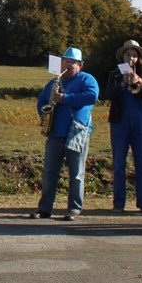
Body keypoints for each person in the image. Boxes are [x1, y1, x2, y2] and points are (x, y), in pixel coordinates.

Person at [31, 47, 100, 221]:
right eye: (65, 61)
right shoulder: (55, 81)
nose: (67, 64)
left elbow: (92, 96)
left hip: (77, 131)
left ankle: (74, 209)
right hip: (55, 132)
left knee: (76, 174)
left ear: (80, 65)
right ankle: (44, 208)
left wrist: (65, 98)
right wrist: (44, 114)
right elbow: (42, 99)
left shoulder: (87, 79)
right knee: (49, 172)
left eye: (71, 62)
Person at [104, 40, 142, 213]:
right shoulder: (115, 75)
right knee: (119, 164)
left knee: (141, 162)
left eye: (134, 55)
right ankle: (119, 203)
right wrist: (123, 83)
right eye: (127, 55)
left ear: (138, 58)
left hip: (139, 123)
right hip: (119, 123)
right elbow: (107, 94)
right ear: (122, 57)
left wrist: (141, 85)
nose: (131, 58)